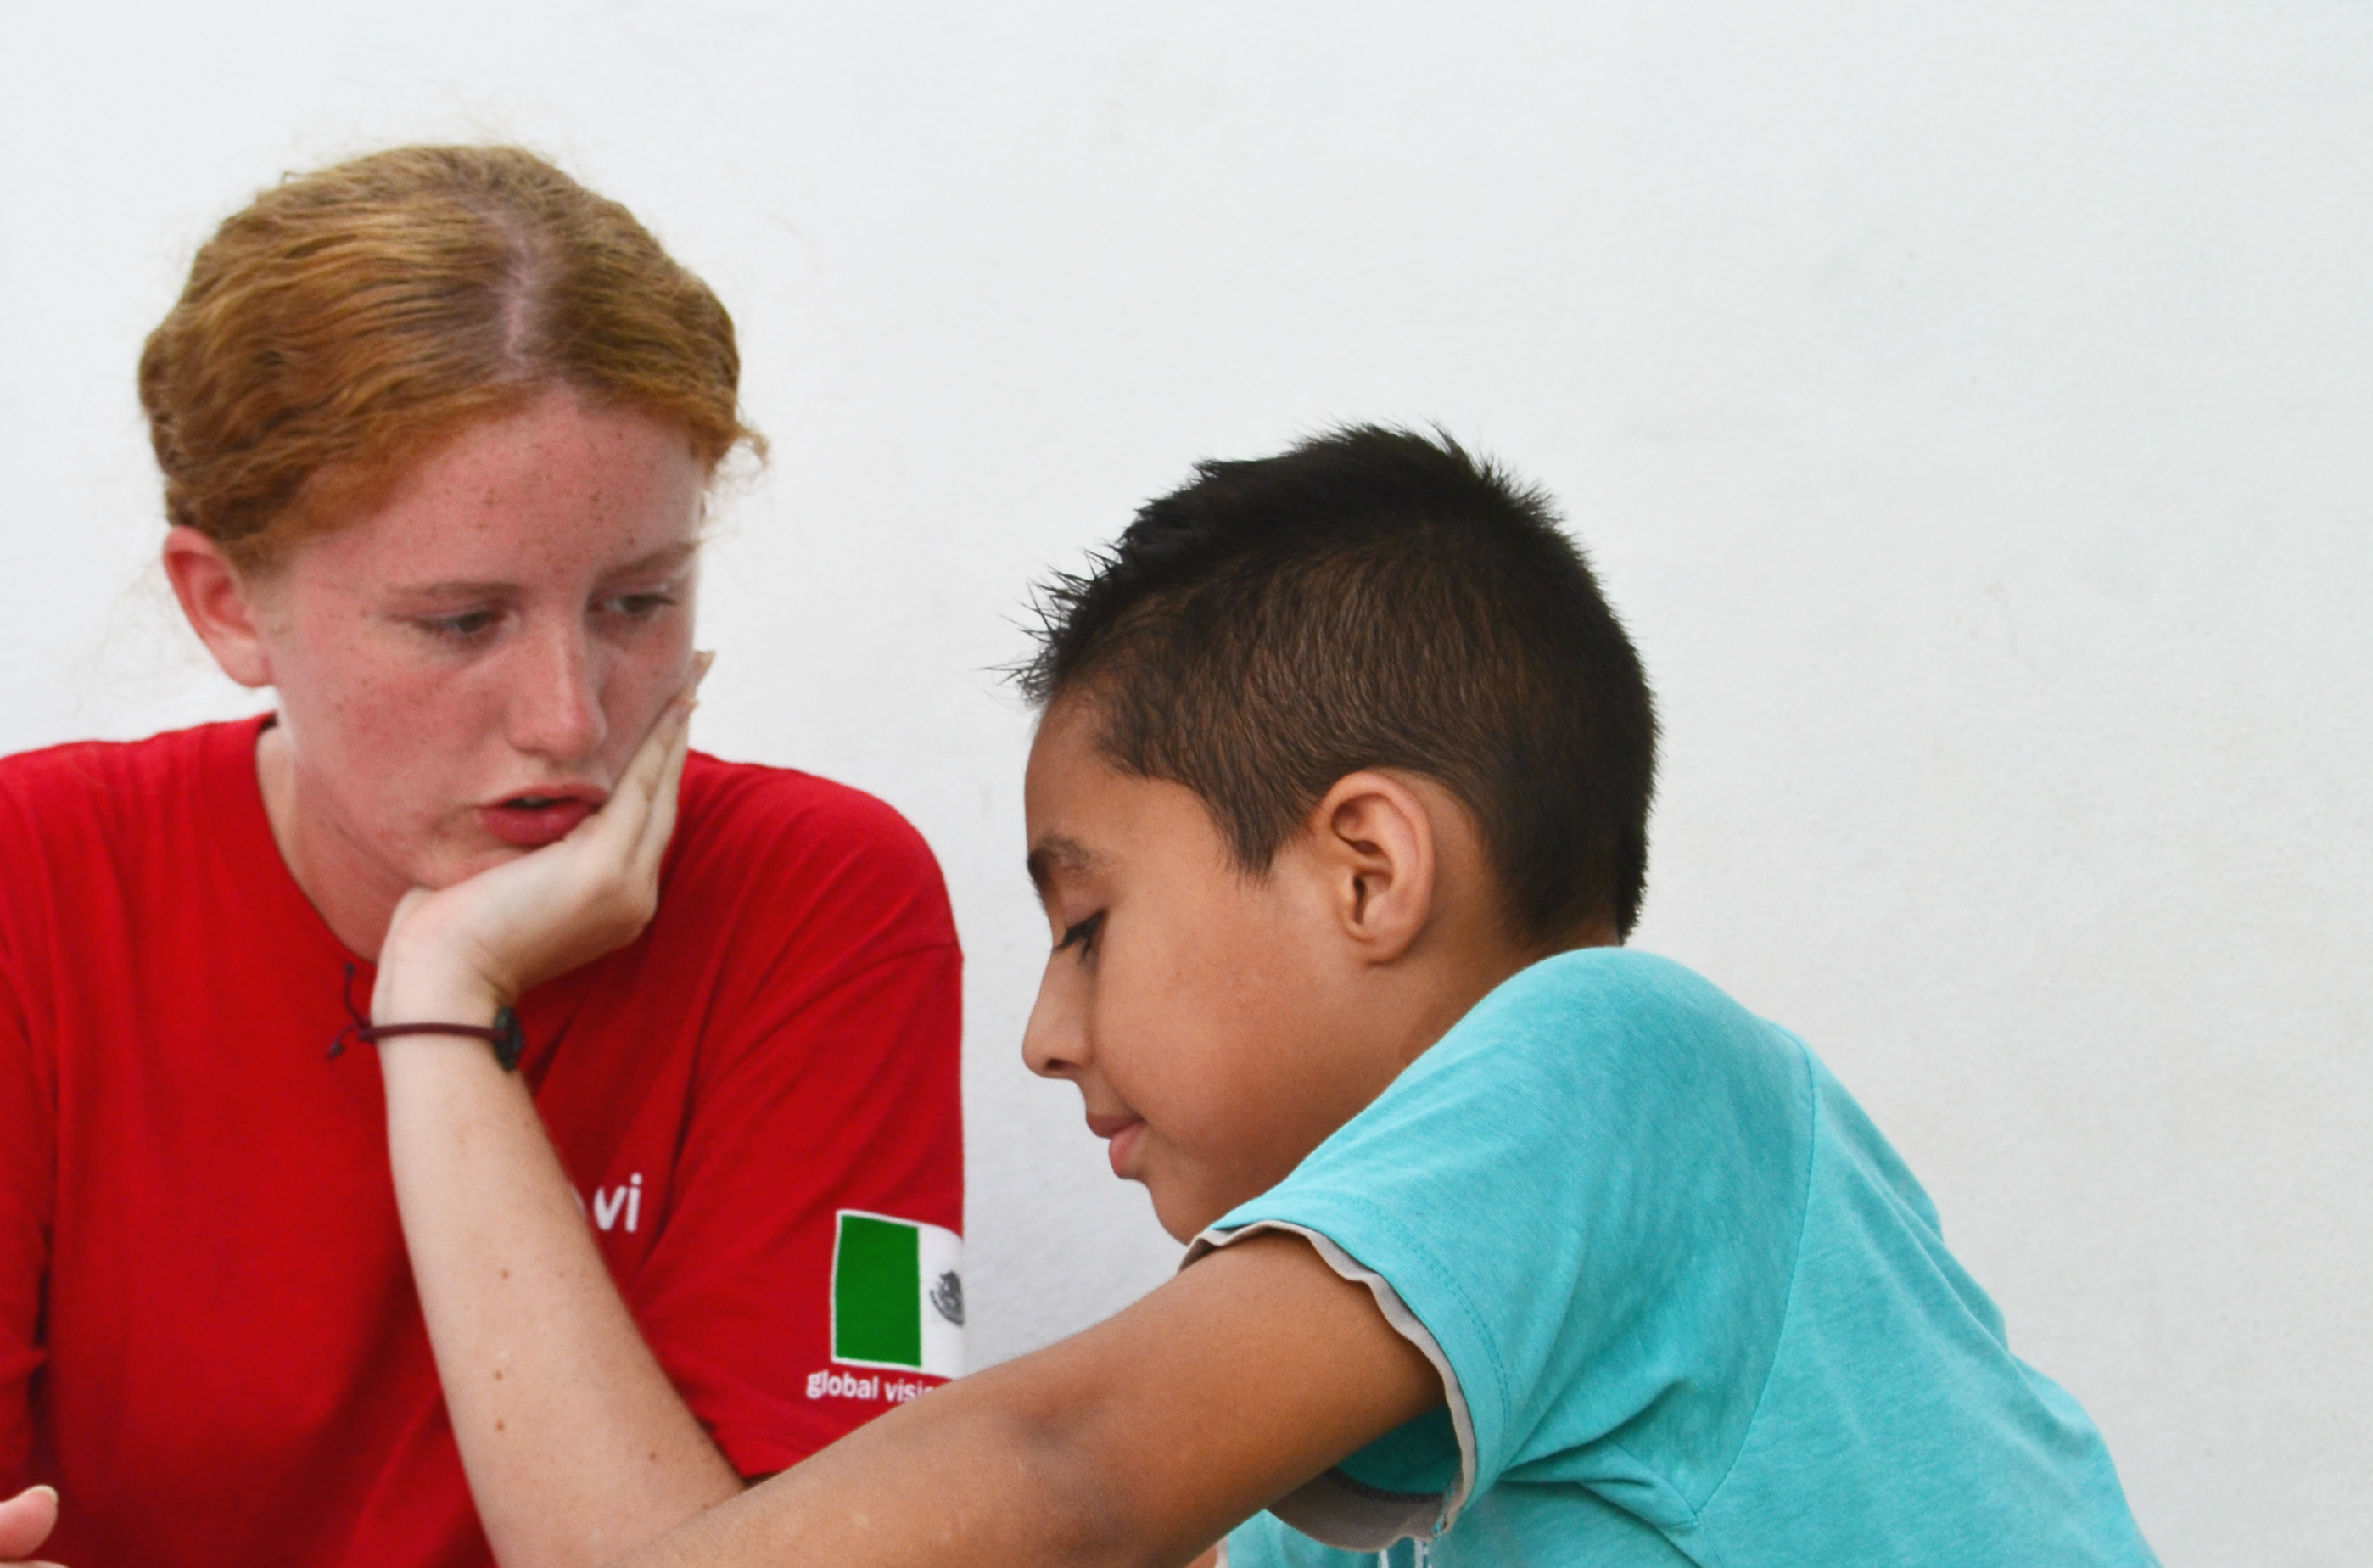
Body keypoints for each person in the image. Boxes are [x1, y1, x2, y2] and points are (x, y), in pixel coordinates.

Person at [577, 426, 2146, 1565]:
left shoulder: (1622, 1057)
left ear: (1368, 873)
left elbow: (1067, 1468)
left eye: (1091, 923)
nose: (1045, 1039)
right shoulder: (1324, 1481)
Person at [0, 145, 965, 1568]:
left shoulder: (821, 902)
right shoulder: (30, 876)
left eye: (640, 601)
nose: (572, 716)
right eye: (461, 622)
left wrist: (442, 1002)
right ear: (227, 607)